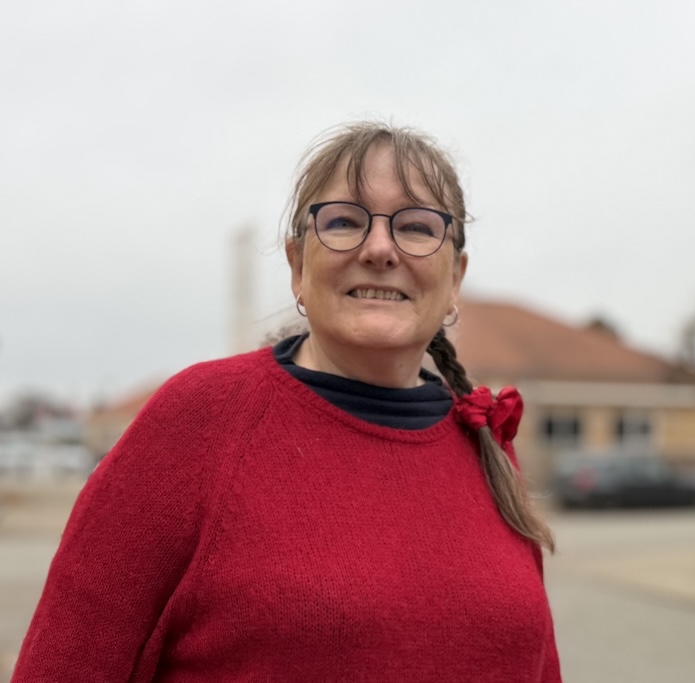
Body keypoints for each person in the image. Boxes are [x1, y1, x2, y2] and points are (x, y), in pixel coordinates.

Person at [13, 122, 561, 682]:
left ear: (455, 279)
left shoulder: (484, 439)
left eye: (417, 227)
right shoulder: (199, 420)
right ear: (298, 266)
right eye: (344, 221)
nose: (379, 249)